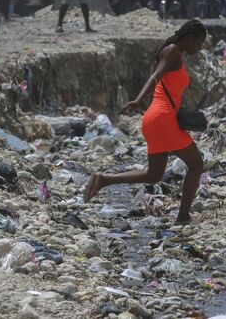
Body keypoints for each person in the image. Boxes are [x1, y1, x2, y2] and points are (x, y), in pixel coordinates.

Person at [83, 19, 207, 225]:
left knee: (154, 174)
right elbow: (155, 77)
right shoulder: (172, 51)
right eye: (199, 43)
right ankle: (183, 217)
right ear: (190, 37)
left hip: (156, 118)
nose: (199, 47)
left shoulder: (172, 53)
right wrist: (138, 99)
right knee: (196, 164)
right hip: (162, 118)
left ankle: (103, 180)